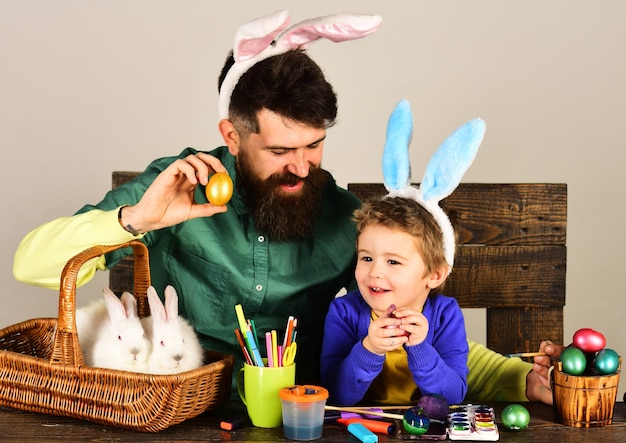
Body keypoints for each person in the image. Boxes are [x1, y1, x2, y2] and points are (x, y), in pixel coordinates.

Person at [13, 11, 558, 402]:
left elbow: (414, 315)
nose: (301, 167)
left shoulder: (345, 218)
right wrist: (137, 221)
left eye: (314, 146)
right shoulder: (173, 189)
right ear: (232, 135)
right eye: (279, 151)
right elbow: (31, 265)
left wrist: (515, 376)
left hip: (303, 416)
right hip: (179, 412)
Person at [321, 197, 468, 406]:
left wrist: (420, 348)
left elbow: (453, 396)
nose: (375, 272)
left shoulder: (446, 315)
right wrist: (369, 348)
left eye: (393, 261)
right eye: (366, 258)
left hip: (423, 430)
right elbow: (336, 394)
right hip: (361, 428)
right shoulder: (344, 312)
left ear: (435, 275)